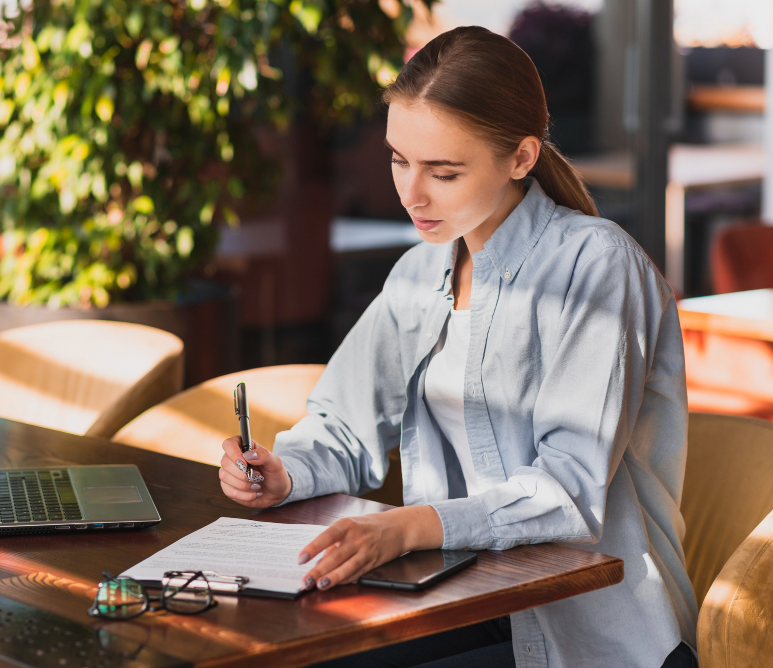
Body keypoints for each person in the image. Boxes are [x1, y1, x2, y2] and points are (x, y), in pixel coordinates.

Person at [217, 26, 698, 668]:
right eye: (398, 160)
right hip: (466, 597)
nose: (411, 194)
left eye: (443, 172)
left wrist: (407, 527)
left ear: (521, 158)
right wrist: (286, 472)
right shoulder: (420, 273)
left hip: (589, 633)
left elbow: (566, 488)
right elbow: (345, 422)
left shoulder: (597, 268)